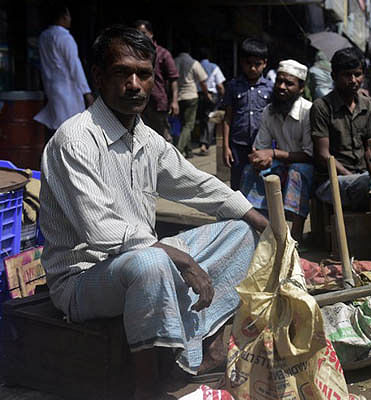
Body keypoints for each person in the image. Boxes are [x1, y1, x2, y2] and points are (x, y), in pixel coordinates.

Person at [38, 25, 268, 399]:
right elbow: (102, 231)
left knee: (240, 233)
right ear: (98, 77)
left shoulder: (145, 137)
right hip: (82, 280)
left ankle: (205, 351)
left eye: (144, 74)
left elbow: (196, 183)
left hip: (139, 262)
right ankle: (148, 386)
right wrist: (181, 259)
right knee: (151, 263)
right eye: (122, 73)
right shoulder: (75, 140)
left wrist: (257, 218)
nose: (135, 84)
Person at [240, 60, 313, 242]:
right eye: (279, 81)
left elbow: (309, 154)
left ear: (301, 88)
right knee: (252, 170)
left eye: (289, 83)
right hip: (281, 162)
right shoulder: (269, 111)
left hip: (305, 164)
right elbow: (261, 146)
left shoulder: (308, 112)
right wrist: (258, 158)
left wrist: (272, 154)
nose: (281, 87)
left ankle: (295, 236)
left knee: (298, 172)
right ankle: (261, 231)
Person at [311, 47, 371, 212]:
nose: (354, 80)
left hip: (362, 177)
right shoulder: (322, 107)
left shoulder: (366, 104)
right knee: (368, 184)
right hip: (331, 181)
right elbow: (323, 154)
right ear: (334, 76)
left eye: (358, 74)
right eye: (347, 75)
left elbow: (369, 149)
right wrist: (350, 175)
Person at [34, 1, 94, 140]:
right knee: (71, 128)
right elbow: (74, 65)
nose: (70, 19)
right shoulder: (64, 37)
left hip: (52, 88)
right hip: (68, 90)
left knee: (57, 126)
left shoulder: (44, 37)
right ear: (63, 17)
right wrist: (87, 92)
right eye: (68, 16)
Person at [222, 38, 273, 190]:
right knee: (237, 184)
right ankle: (238, 213)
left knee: (260, 183)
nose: (252, 68)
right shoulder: (233, 86)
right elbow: (228, 118)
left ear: (264, 63)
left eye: (257, 64)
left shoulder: (270, 89)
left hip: (262, 146)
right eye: (248, 63)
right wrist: (226, 147)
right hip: (238, 145)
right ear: (242, 62)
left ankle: (259, 213)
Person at [134, 20, 179, 143]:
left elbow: (173, 78)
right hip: (139, 102)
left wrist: (174, 101)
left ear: (151, 34)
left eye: (143, 33)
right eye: (138, 33)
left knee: (163, 137)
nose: (141, 36)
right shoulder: (134, 54)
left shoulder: (163, 54)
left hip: (158, 103)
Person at [173, 39, 209, 158]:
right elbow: (203, 80)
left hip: (178, 97)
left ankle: (188, 152)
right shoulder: (194, 63)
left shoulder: (174, 62)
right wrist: (207, 94)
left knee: (184, 124)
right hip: (191, 96)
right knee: (188, 126)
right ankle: (178, 150)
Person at [198, 48, 226, 155]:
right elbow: (220, 85)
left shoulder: (196, 66)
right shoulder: (214, 67)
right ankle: (205, 144)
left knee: (203, 119)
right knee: (211, 119)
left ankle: (202, 142)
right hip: (212, 95)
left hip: (199, 95)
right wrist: (223, 97)